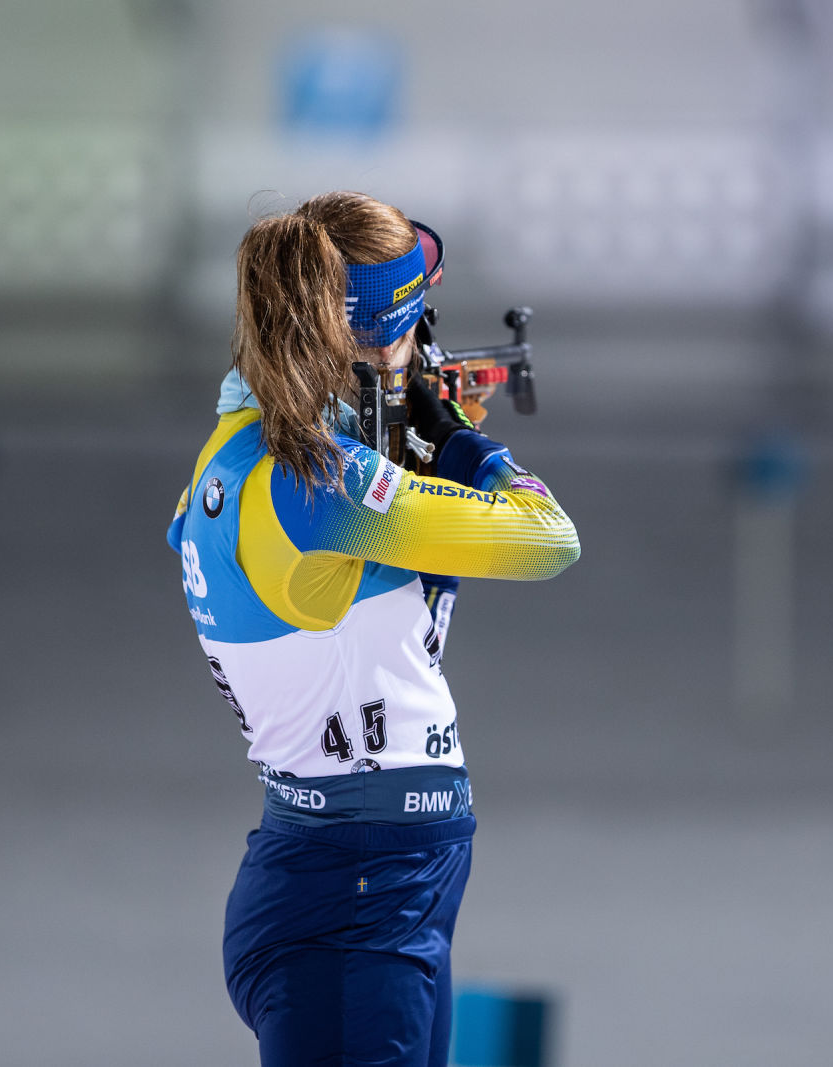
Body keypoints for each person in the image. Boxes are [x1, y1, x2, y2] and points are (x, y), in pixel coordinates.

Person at [166, 191, 580, 1066]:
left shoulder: (242, 452)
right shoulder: (322, 484)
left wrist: (400, 441)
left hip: (362, 883)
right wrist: (459, 443)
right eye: (415, 329)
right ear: (372, 341)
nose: (424, 350)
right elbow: (548, 538)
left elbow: (373, 634)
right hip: (358, 903)